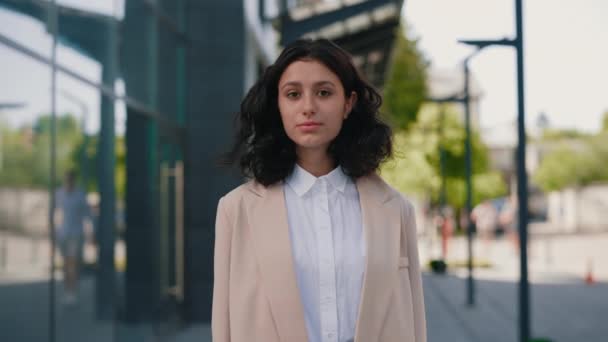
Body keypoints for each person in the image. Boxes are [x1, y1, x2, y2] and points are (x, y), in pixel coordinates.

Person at [213, 39, 426, 342]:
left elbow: (415, 323)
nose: (308, 107)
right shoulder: (236, 210)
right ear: (278, 104)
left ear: (348, 104)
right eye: (293, 94)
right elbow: (224, 326)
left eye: (324, 92)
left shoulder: (395, 209)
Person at [55, 170, 91, 304]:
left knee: (72, 264)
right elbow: (55, 213)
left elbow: (87, 215)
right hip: (62, 234)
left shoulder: (80, 195)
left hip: (76, 234)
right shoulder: (59, 194)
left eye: (70, 179)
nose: (68, 182)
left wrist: (90, 234)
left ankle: (72, 292)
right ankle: (67, 290)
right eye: (66, 179)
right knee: (65, 264)